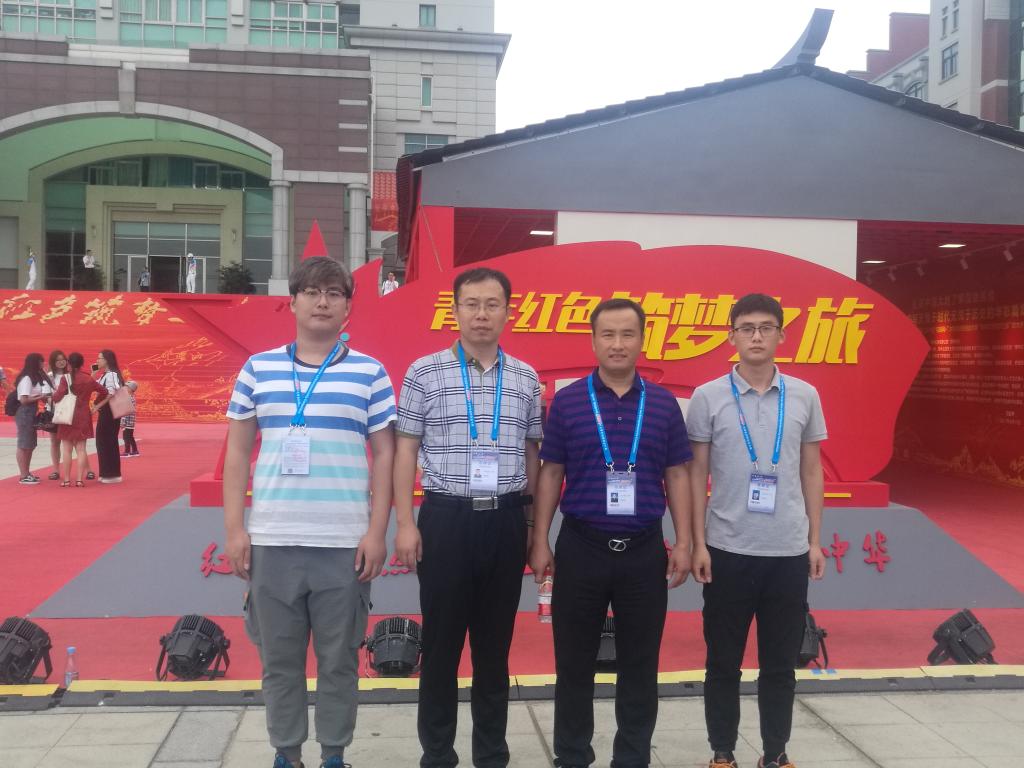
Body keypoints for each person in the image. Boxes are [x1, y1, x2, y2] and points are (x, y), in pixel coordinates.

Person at [223, 256, 396, 768]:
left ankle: (334, 754)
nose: (323, 302)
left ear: (347, 307)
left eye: (334, 293)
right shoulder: (258, 369)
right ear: (293, 301)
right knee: (279, 662)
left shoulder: (370, 373)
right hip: (272, 540)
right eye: (312, 292)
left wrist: (377, 532)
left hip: (343, 544)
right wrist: (235, 530)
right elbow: (237, 453)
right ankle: (287, 752)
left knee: (339, 662)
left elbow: (385, 455)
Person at [530, 298, 694, 768]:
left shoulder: (663, 404)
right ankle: (572, 755)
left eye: (627, 334)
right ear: (593, 341)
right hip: (581, 548)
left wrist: (684, 541)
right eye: (608, 334)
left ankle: (632, 757)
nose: (617, 344)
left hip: (644, 551)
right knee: (573, 663)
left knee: (640, 665)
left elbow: (677, 474)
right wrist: (540, 539)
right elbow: (551, 471)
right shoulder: (568, 401)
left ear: (642, 340)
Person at [393, 266, 543, 768]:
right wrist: (405, 523)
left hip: (504, 521)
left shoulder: (525, 378)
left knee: (494, 650)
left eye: (492, 304)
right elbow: (404, 451)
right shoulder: (423, 372)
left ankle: (491, 754)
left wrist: (530, 528)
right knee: (441, 647)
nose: (482, 314)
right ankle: (437, 753)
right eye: (472, 304)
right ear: (454, 310)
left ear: (507, 312)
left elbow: (532, 455)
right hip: (446, 521)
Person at [686, 293, 827, 768]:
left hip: (787, 551)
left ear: (782, 335)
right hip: (727, 548)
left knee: (780, 665)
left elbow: (811, 470)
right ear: (731, 336)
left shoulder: (804, 395)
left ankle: (775, 752)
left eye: (766, 327)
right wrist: (698, 543)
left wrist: (814, 541)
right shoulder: (708, 396)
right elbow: (696, 473)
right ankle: (722, 752)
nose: (756, 336)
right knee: (722, 661)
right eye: (746, 328)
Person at [53, 352, 109, 486]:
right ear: (82, 363)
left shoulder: (65, 378)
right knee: (81, 449)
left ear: (69, 363)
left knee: (66, 449)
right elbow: (104, 392)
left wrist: (51, 396)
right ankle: (79, 479)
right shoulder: (88, 378)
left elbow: (57, 397)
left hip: (67, 416)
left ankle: (66, 480)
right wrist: (95, 404)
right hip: (83, 415)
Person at [14, 353, 48, 484]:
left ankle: (27, 472)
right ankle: (23, 475)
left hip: (31, 411)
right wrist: (40, 397)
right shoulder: (27, 379)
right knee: (24, 443)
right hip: (25, 411)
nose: (42, 364)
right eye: (41, 362)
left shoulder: (35, 377)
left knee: (30, 444)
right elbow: (23, 399)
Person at [94, 349, 125, 484]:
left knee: (107, 441)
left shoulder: (111, 374)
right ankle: (106, 472)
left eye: (99, 358)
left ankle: (111, 473)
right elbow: (91, 384)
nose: (97, 361)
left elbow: (111, 393)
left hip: (109, 411)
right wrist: (94, 373)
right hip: (106, 411)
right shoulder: (105, 375)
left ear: (107, 360)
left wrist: (97, 406)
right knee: (105, 441)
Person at [44, 349, 69, 481]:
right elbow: (46, 396)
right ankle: (56, 470)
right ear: (53, 362)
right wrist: (57, 405)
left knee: (69, 442)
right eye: (58, 360)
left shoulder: (70, 375)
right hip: (53, 412)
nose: (61, 362)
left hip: (68, 412)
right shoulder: (49, 376)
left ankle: (69, 470)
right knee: (55, 442)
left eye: (63, 359)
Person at [121, 380, 140, 456]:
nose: (125, 388)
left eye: (127, 387)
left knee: (126, 437)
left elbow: (126, 411)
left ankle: (127, 451)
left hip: (127, 422)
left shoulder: (128, 398)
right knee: (130, 437)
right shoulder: (132, 398)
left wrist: (123, 422)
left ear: (131, 389)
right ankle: (135, 451)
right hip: (131, 422)